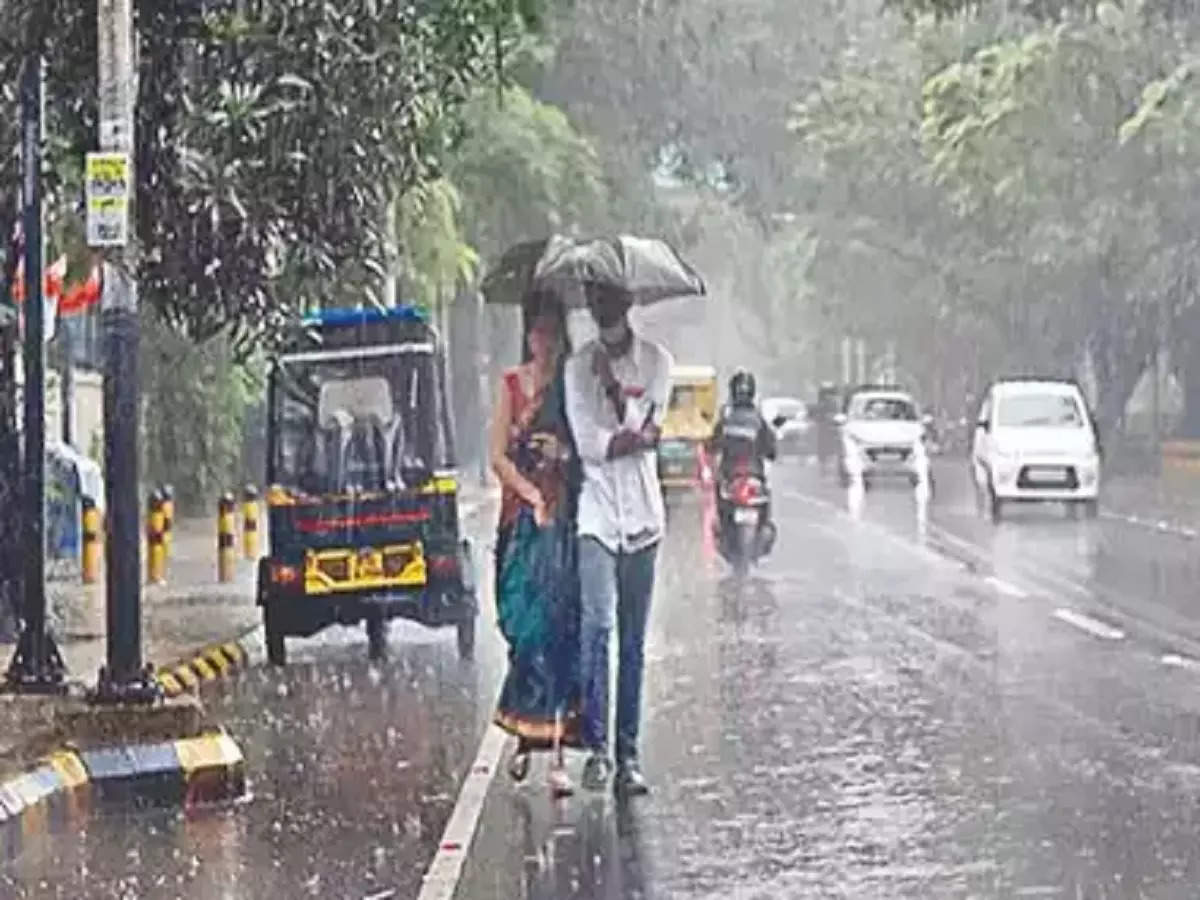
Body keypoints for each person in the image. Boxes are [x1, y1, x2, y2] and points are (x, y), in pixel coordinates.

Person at [564, 283, 672, 796]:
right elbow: (591, 446)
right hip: (597, 516)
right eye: (595, 306)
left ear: (627, 307)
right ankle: (599, 750)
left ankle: (628, 756)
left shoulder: (657, 362)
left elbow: (650, 433)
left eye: (610, 304)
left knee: (632, 642)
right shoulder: (575, 367)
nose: (603, 314)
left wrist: (615, 394)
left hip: (645, 520)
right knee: (598, 627)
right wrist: (630, 435)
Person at [490, 294, 582, 797]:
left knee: (560, 631)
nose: (546, 342)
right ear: (529, 336)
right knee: (523, 631)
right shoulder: (511, 386)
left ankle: (560, 751)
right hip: (521, 524)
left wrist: (561, 454)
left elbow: (583, 448)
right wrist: (528, 496)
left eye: (554, 333)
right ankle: (526, 734)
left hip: (563, 522)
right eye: (539, 333)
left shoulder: (570, 388)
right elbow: (497, 456)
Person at [710, 369, 777, 549]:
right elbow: (771, 450)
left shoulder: (726, 419)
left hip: (732, 477)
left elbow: (712, 445)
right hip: (750, 477)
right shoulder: (758, 420)